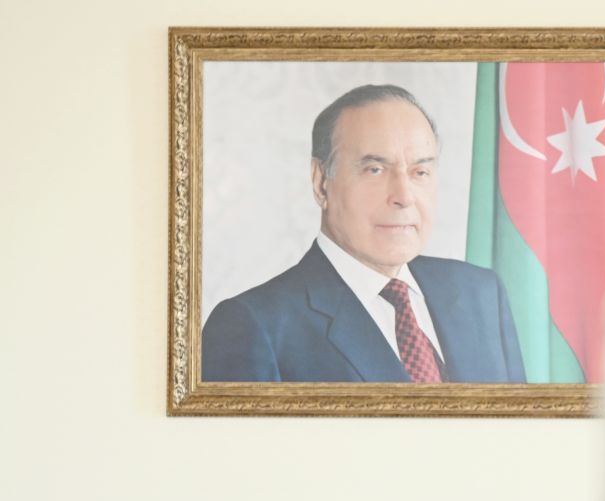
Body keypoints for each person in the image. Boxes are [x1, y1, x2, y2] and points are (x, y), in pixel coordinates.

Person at [202, 84, 526, 384]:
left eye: (420, 171)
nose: (404, 196)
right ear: (321, 182)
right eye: (375, 170)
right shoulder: (253, 327)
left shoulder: (481, 293)